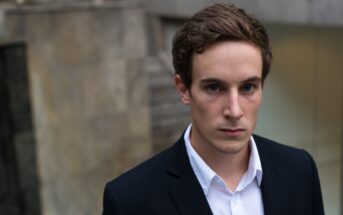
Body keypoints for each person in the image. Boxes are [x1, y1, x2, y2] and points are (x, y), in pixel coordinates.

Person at [102, 3, 324, 215]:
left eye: (248, 87)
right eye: (214, 87)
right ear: (183, 90)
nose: (234, 111)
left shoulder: (300, 171)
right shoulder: (130, 201)